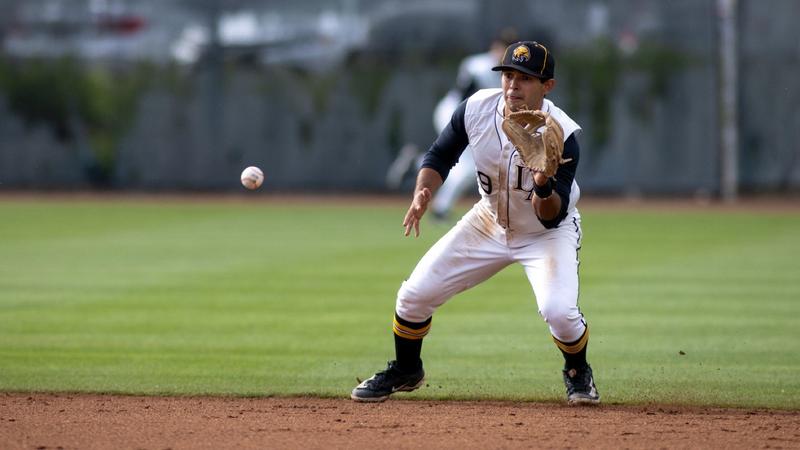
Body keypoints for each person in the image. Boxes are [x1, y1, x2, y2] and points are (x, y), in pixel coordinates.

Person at [353, 41, 600, 405]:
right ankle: (406, 369)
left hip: (544, 234)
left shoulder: (562, 134)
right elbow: (440, 155)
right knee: (413, 296)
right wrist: (423, 193)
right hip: (488, 220)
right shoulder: (475, 109)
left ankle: (578, 372)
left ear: (547, 85)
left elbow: (551, 216)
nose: (513, 85)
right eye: (509, 76)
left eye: (525, 79)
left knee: (559, 312)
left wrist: (543, 184)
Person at [385, 34, 513, 221]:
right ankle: (440, 208)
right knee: (468, 168)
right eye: (503, 48)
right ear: (495, 47)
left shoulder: (509, 71)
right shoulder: (478, 65)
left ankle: (417, 164)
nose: (503, 53)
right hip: (456, 113)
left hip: (472, 117)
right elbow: (465, 95)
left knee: (462, 167)